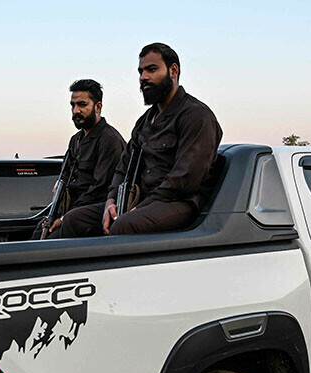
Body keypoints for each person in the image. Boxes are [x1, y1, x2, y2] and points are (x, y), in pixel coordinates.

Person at [54, 43, 222, 238]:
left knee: (123, 226)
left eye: (152, 69)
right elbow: (122, 168)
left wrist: (141, 207)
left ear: (173, 70)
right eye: (141, 72)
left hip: (177, 202)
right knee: (75, 219)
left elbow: (185, 179)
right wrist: (111, 201)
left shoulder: (196, 116)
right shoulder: (144, 122)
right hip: (140, 201)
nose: (143, 77)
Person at [34, 79, 125, 239]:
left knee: (65, 227)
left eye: (82, 105)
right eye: (73, 105)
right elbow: (65, 177)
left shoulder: (109, 140)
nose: (76, 110)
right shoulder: (75, 140)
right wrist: (56, 214)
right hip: (71, 209)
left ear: (98, 107)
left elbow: (100, 189)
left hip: (95, 208)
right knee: (40, 231)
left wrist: (63, 218)